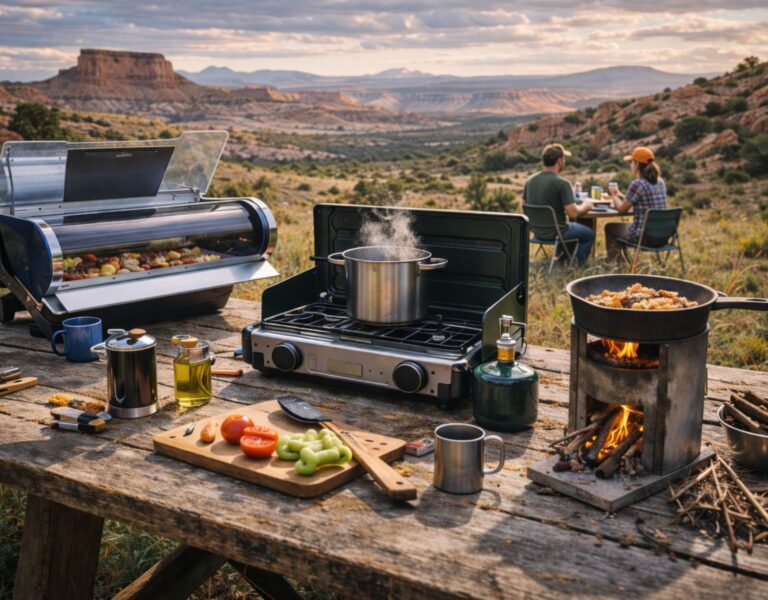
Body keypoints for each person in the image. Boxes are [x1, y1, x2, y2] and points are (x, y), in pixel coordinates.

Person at [523, 144, 595, 264]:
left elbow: (524, 206)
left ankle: (561, 257)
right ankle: (577, 264)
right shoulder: (562, 183)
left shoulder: (530, 181)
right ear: (559, 161)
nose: (564, 161)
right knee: (589, 234)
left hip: (537, 232)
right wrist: (587, 206)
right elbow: (573, 214)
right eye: (564, 159)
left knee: (571, 226)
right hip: (557, 233)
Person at [605, 146, 667, 262]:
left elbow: (622, 210)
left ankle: (615, 263)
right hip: (662, 236)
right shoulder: (661, 182)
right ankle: (619, 261)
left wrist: (613, 195)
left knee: (609, 227)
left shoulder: (637, 184)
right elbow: (641, 200)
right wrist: (620, 195)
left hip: (644, 237)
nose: (630, 165)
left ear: (637, 164)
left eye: (631, 162)